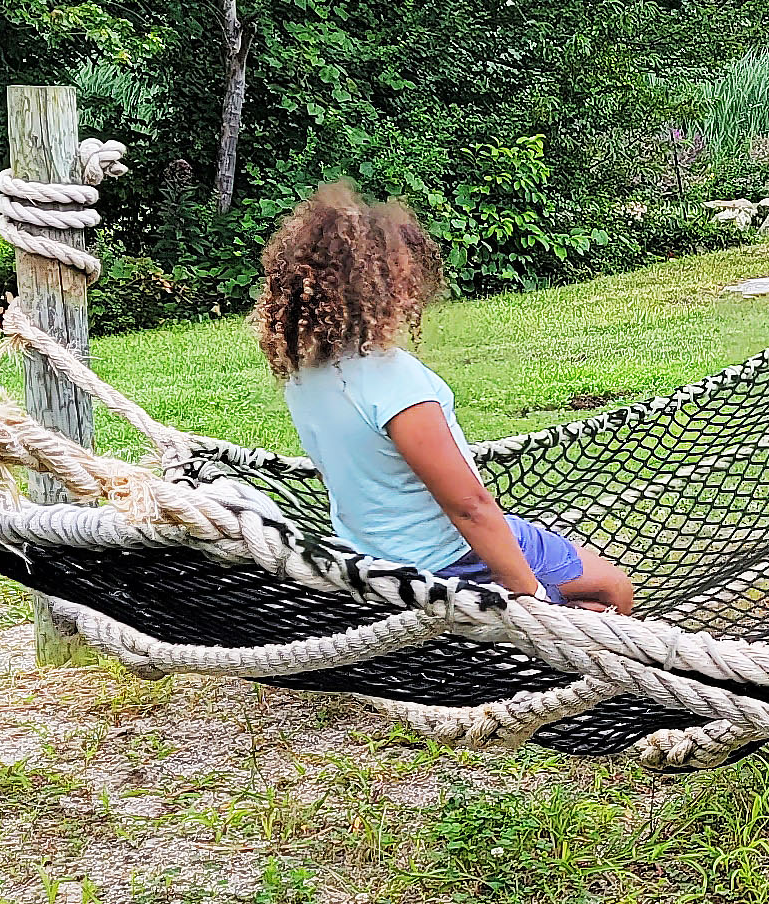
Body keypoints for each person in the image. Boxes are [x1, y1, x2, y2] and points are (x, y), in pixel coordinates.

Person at [256, 187, 633, 611]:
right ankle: (550, 660)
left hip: (374, 557)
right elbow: (470, 508)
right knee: (613, 591)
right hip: (447, 558)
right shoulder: (392, 380)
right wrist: (533, 603)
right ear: (386, 285)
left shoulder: (304, 373)